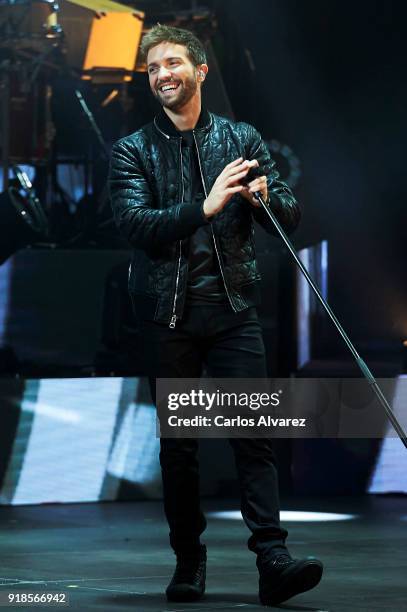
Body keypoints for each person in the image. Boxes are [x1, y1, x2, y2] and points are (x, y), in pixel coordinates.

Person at [109, 24, 323, 607]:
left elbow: (291, 212)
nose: (162, 76)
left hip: (232, 311)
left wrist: (262, 199)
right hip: (167, 316)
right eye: (153, 69)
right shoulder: (134, 149)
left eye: (172, 63)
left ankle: (272, 559)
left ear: (200, 70)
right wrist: (203, 207)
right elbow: (135, 225)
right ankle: (189, 558)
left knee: (253, 435)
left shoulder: (239, 137)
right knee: (179, 446)